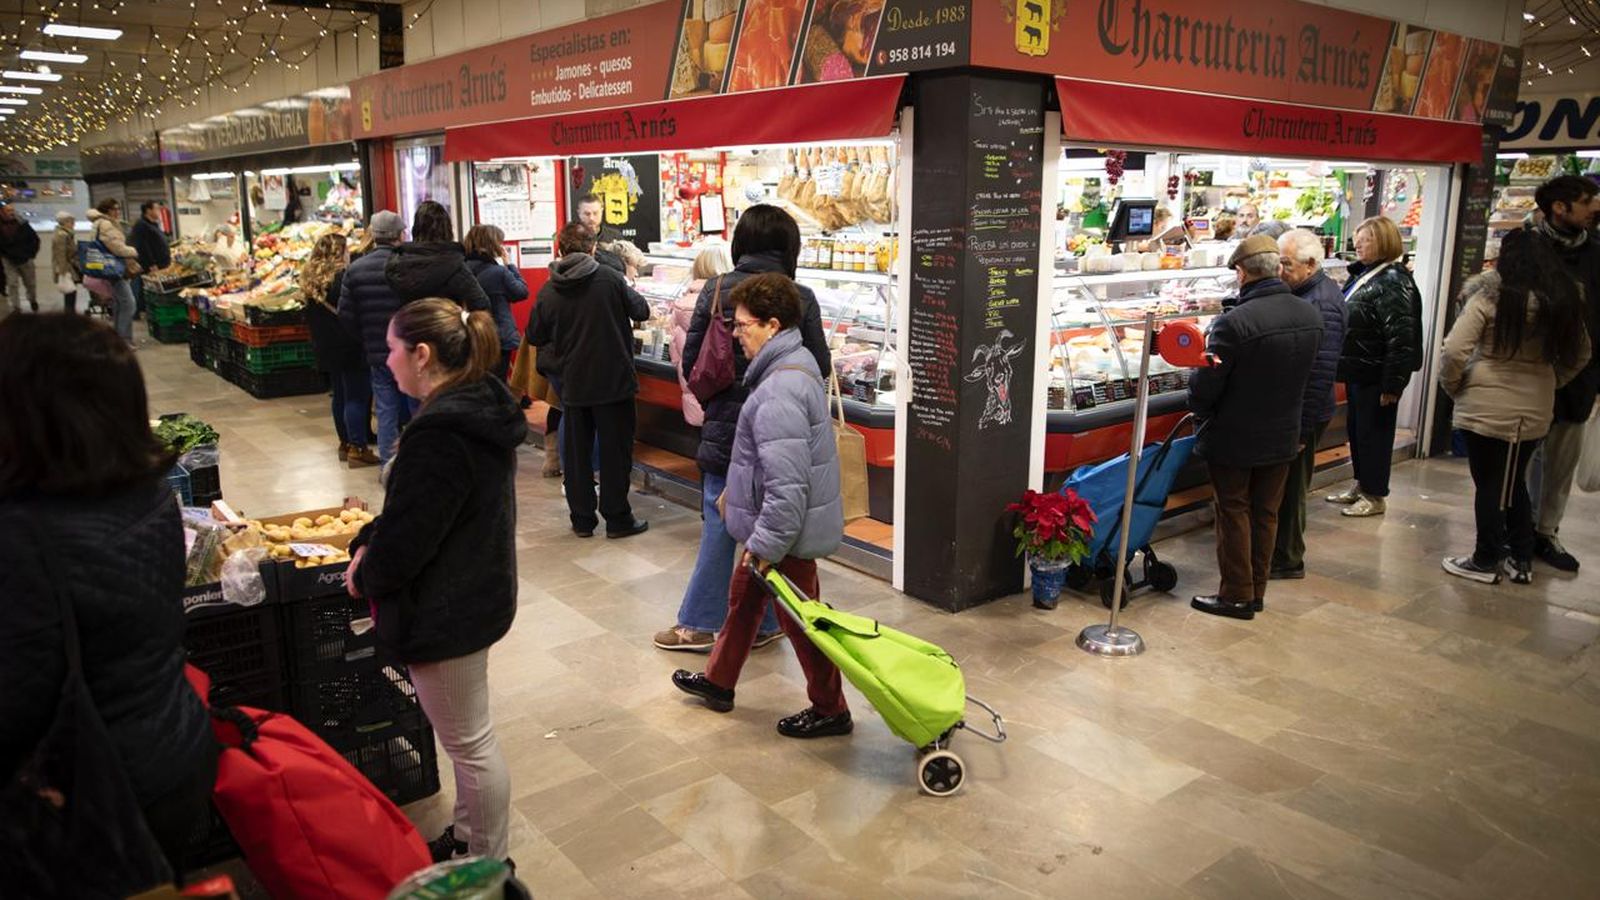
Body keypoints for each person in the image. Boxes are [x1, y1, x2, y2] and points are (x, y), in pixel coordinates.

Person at [0, 314, 218, 885]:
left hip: (97, 783)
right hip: (173, 744)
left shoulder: (28, 534)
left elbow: (16, 700)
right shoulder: (145, 492)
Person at [345, 299, 525, 865]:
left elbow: (409, 540)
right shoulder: (471, 408)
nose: (387, 358)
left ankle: (488, 866)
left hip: (450, 605)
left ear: (423, 355)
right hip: (474, 591)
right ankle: (471, 840)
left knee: (471, 746)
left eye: (394, 347)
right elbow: (423, 512)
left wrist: (365, 570)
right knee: (468, 736)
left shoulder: (442, 433)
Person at [671, 273, 852, 738]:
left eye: (742, 325)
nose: (734, 334)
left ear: (772, 325)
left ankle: (831, 708)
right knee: (744, 599)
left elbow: (788, 485)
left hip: (784, 531)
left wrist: (767, 543)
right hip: (775, 526)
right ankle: (719, 681)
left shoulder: (779, 390)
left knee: (801, 620)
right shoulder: (788, 366)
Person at [658, 207, 831, 652]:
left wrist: (720, 400)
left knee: (721, 524)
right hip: (783, 429)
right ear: (789, 246)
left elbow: (693, 362)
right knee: (777, 527)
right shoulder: (801, 296)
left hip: (725, 430)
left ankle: (698, 624)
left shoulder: (716, 289)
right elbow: (820, 365)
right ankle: (769, 621)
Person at [1438, 230, 1591, 585]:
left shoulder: (1490, 298)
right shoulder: (1562, 303)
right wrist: (1552, 380)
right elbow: (1581, 354)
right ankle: (1521, 559)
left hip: (1485, 404)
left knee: (1489, 482)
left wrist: (1456, 385)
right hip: (1535, 404)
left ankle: (1485, 557)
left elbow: (1454, 350)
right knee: (1515, 480)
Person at [1187, 235, 1323, 620]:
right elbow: (1314, 381)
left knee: (1233, 511)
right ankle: (1256, 591)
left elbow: (1206, 386)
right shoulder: (1309, 314)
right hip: (1283, 434)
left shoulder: (1233, 323)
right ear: (1277, 268)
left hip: (1234, 436)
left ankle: (1235, 595)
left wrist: (1198, 410)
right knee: (1266, 512)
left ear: (1242, 272)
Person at [528, 223, 651, 538]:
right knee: (615, 452)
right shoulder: (610, 279)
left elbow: (535, 334)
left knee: (578, 456)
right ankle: (617, 518)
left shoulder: (548, 289)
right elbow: (642, 309)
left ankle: (582, 519)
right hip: (614, 380)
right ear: (593, 248)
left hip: (573, 383)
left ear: (560, 251)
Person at [1526, 175, 1600, 572]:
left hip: (1580, 379)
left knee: (1560, 464)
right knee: (1519, 464)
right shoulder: (1524, 250)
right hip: (1529, 376)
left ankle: (1547, 532)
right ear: (1560, 207)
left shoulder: (1596, 255)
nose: (1595, 208)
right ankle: (1516, 529)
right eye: (1587, 201)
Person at [1326, 216, 1422, 518]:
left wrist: (1393, 384)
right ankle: (1361, 483)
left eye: (1365, 239)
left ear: (1381, 241)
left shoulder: (1393, 281)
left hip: (1377, 375)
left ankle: (1375, 493)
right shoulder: (1369, 275)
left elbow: (1401, 336)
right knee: (1358, 432)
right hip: (1359, 371)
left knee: (1375, 435)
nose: (1358, 245)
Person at [1270, 230, 1347, 580]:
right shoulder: (1308, 293)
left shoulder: (1321, 303)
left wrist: (1301, 427)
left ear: (1311, 264)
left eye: (1286, 264)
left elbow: (1319, 371)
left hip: (1304, 412)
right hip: (1296, 409)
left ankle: (1287, 558)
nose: (1280, 271)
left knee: (1291, 488)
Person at [340, 209, 414, 465]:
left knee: (385, 410)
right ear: (399, 234)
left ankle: (389, 465)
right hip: (410, 348)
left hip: (376, 350)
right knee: (417, 405)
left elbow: (346, 315)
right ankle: (418, 460)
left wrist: (366, 338)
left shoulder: (355, 269)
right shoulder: (409, 266)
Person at [301, 232, 378, 468]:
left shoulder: (310, 280)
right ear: (338, 252)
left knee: (340, 396)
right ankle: (357, 448)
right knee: (357, 396)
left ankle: (345, 443)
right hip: (350, 345)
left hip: (326, 347)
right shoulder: (343, 278)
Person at [386, 201, 491, 311]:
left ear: (416, 229)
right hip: (445, 325)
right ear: (447, 229)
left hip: (407, 326)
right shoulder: (453, 264)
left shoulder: (397, 264)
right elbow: (481, 303)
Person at [670, 246, 733, 428]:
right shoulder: (724, 301)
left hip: (693, 388)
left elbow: (675, 355)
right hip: (721, 392)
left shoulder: (681, 303)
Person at [462, 223, 528, 380]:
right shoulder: (498, 272)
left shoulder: (462, 269)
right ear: (492, 245)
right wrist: (510, 265)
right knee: (497, 382)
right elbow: (521, 292)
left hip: (472, 333)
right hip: (499, 336)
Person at [86, 198, 143, 344]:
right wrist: (134, 251)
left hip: (109, 268)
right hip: (114, 269)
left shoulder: (99, 223)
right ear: (107, 211)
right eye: (115, 209)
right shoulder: (106, 224)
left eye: (118, 208)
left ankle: (119, 338)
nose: (118, 212)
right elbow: (115, 247)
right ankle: (123, 340)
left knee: (119, 303)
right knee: (129, 304)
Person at [129, 202, 170, 321]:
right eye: (156, 208)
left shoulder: (152, 224)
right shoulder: (142, 225)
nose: (159, 210)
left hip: (158, 264)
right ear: (148, 210)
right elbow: (143, 246)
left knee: (146, 289)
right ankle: (136, 311)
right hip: (148, 265)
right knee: (140, 287)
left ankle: (142, 310)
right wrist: (152, 263)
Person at [0, 203, 41, 314]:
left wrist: (31, 254)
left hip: (25, 258)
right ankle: (16, 307)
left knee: (30, 283)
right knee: (12, 283)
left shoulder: (23, 225)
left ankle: (33, 299)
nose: (12, 213)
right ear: (2, 212)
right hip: (8, 259)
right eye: (8, 211)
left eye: (12, 210)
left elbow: (34, 240)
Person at [574, 193, 626, 273]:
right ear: (579, 213)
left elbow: (625, 265)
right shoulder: (571, 238)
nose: (591, 218)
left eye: (595, 213)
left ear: (602, 211)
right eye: (587, 214)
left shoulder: (615, 236)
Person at [52, 211, 81, 314]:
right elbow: (61, 254)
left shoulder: (66, 233)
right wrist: (63, 272)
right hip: (67, 268)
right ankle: (69, 313)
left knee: (71, 291)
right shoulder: (62, 235)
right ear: (64, 222)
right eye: (70, 221)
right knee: (70, 291)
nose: (73, 223)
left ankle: (70, 313)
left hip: (69, 266)